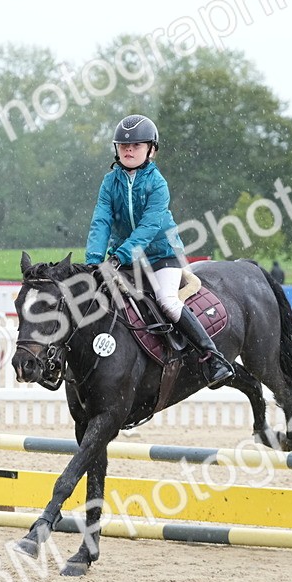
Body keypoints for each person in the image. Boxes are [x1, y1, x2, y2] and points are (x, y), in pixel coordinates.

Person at [84, 114, 233, 388]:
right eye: (123, 146)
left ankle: (212, 357)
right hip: (125, 258)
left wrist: (119, 256)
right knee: (102, 297)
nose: (129, 150)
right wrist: (94, 262)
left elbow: (148, 227)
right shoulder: (109, 182)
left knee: (167, 301)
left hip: (162, 256)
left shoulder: (158, 184)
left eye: (137, 145)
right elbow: (101, 221)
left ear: (151, 149)